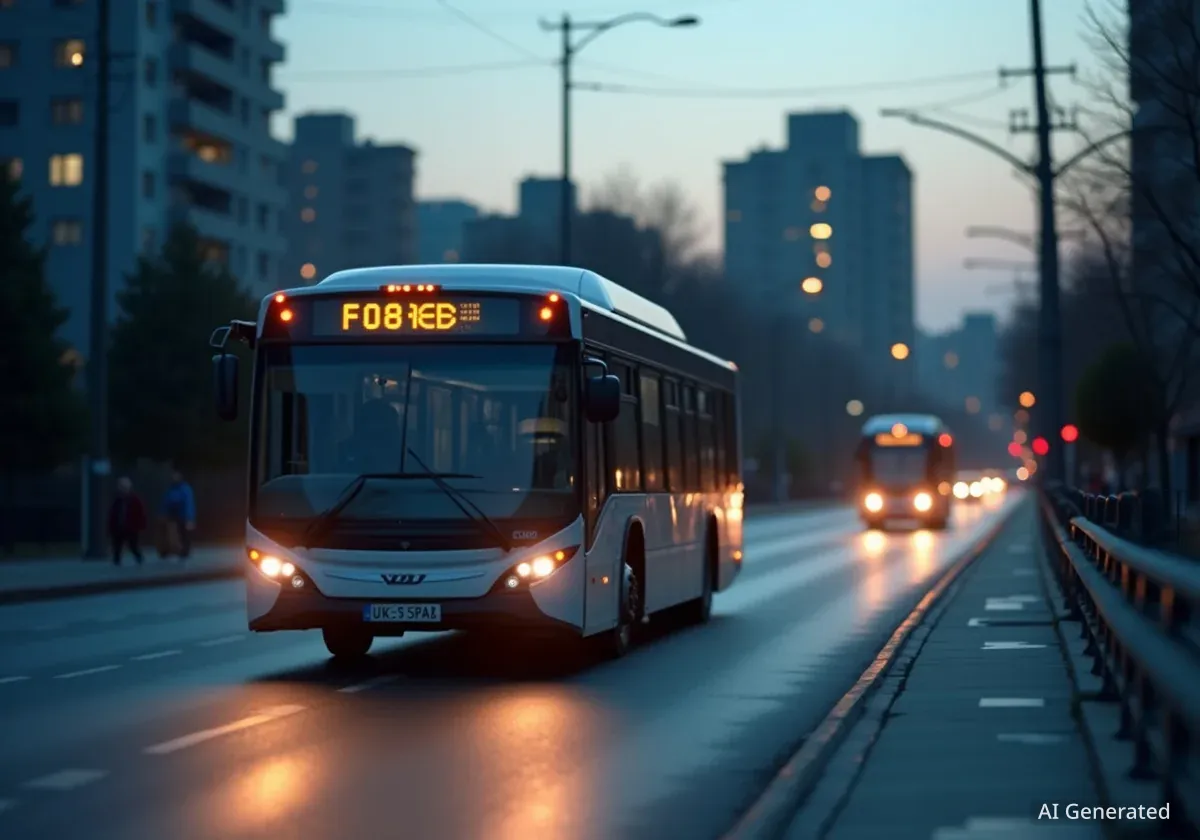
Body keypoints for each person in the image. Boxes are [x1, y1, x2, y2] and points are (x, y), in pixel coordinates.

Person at [108, 477, 147, 566]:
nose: (123, 489)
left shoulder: (134, 500)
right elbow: (113, 514)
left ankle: (139, 558)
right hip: (119, 527)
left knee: (133, 545)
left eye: (124, 487)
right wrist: (111, 527)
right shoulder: (117, 500)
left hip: (131, 527)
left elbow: (141, 514)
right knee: (117, 545)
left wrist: (140, 525)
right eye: (121, 487)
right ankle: (116, 561)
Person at [161, 469, 196, 559]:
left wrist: (189, 517)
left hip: (183, 515)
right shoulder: (171, 489)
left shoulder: (184, 489)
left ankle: (185, 551)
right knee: (176, 533)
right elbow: (166, 502)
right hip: (174, 515)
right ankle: (176, 550)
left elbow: (188, 503)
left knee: (184, 534)